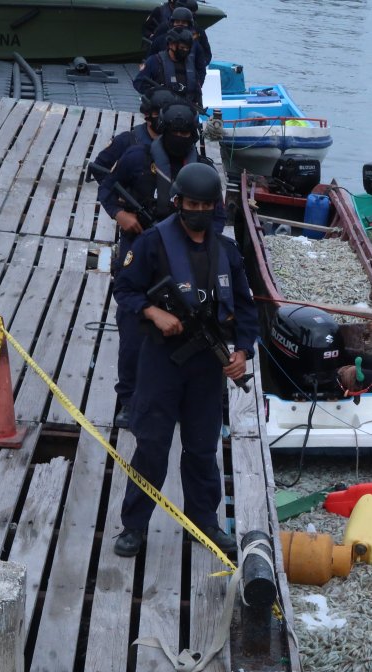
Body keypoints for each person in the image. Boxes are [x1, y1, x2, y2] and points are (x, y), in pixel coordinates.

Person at [110, 162, 258, 558]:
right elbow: (124, 289)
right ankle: (134, 526)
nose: (197, 210)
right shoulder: (153, 244)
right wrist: (151, 311)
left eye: (205, 204)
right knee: (152, 446)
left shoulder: (226, 251)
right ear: (177, 202)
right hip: (161, 360)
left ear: (215, 207)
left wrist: (242, 352)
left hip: (207, 367)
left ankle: (204, 523)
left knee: (201, 448)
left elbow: (245, 307)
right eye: (191, 203)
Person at [97, 101, 223, 427]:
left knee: (189, 327)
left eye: (187, 133)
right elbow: (108, 188)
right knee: (132, 331)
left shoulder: (202, 169)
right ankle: (128, 399)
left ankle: (183, 397)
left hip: (183, 254)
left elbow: (218, 218)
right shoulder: (137, 158)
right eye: (176, 132)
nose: (181, 138)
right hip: (140, 244)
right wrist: (121, 215)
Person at [86, 88, 178, 183]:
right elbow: (99, 167)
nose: (162, 119)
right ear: (146, 115)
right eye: (156, 114)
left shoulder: (180, 144)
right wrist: (116, 193)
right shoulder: (126, 141)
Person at [134, 27, 203, 108]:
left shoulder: (190, 65)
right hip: (162, 109)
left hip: (186, 109)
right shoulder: (154, 61)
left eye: (187, 48)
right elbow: (138, 83)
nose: (185, 51)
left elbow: (197, 89)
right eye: (182, 48)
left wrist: (199, 103)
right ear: (171, 45)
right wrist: (154, 92)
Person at [146, 5, 212, 71]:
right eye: (177, 22)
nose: (180, 25)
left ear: (188, 24)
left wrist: (198, 76)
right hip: (164, 73)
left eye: (183, 23)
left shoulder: (195, 43)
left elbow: (206, 56)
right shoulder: (161, 39)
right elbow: (150, 58)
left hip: (188, 73)